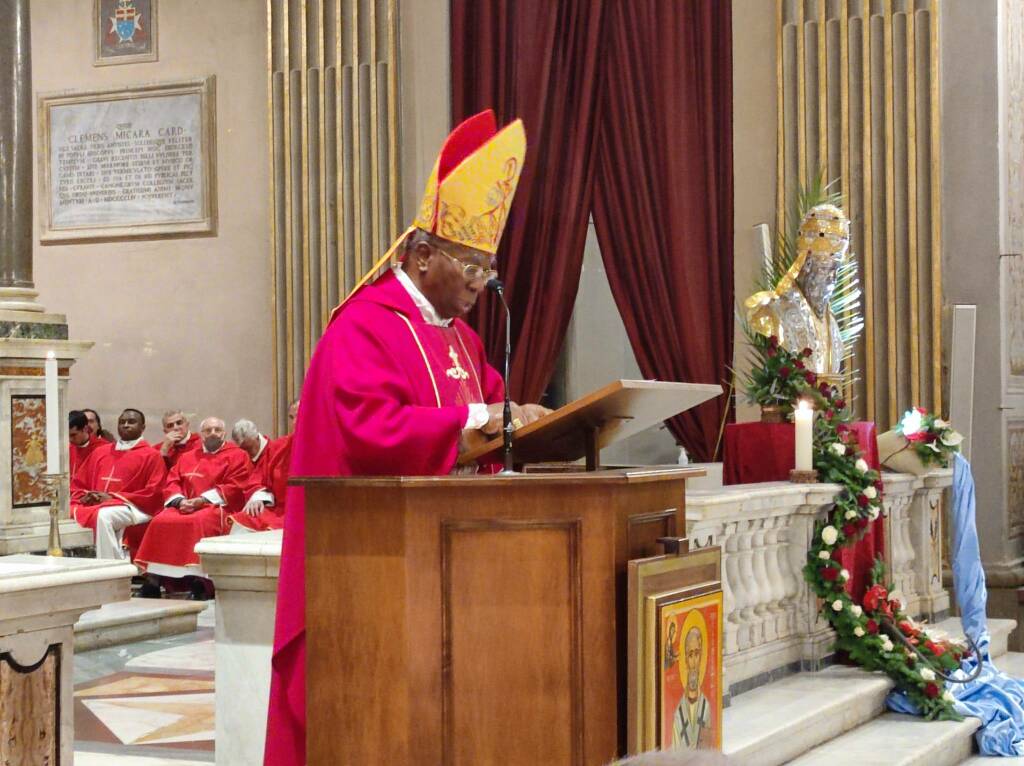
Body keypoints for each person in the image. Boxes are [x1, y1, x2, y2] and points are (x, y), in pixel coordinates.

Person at [265, 110, 550, 766]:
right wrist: (478, 420)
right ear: (423, 256)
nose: (481, 283)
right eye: (471, 265)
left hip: (443, 562)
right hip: (365, 567)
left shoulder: (463, 336)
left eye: (487, 268)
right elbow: (370, 432)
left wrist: (526, 421)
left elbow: (490, 418)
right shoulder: (361, 328)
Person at [134, 416, 253, 599]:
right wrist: (180, 501)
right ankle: (154, 580)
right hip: (185, 505)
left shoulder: (237, 455)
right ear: (201, 435)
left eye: (217, 430)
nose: (213, 433)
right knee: (160, 521)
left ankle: (200, 583)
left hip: (216, 506)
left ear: (224, 433)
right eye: (208, 430)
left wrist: (202, 500)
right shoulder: (188, 457)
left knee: (198, 521)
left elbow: (236, 486)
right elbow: (172, 480)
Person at [744, 203, 851, 377]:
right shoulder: (777, 310)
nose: (833, 279)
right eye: (826, 268)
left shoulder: (831, 322)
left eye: (836, 269)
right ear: (806, 266)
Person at [69, 409, 167, 561]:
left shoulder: (151, 455)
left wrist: (113, 498)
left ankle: (109, 566)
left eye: (131, 422)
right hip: (101, 504)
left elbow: (154, 492)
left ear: (143, 427)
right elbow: (79, 483)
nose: (126, 425)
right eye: (122, 422)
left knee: (104, 516)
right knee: (66, 512)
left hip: (136, 507)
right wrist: (85, 497)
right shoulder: (101, 452)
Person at [229, 417, 294, 532]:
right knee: (242, 521)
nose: (294, 422)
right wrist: (259, 498)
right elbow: (258, 480)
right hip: (277, 509)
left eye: (249, 449)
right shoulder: (278, 447)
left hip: (305, 510)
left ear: (256, 438)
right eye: (291, 417)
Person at [672, 626, 714, 750]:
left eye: (697, 654)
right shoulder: (678, 712)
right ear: (685, 659)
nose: (694, 662)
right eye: (690, 655)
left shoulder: (705, 706)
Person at [69, 409, 104, 480]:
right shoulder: (66, 449)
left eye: (73, 435)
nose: (70, 439)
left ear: (85, 428)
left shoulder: (103, 448)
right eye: (67, 435)